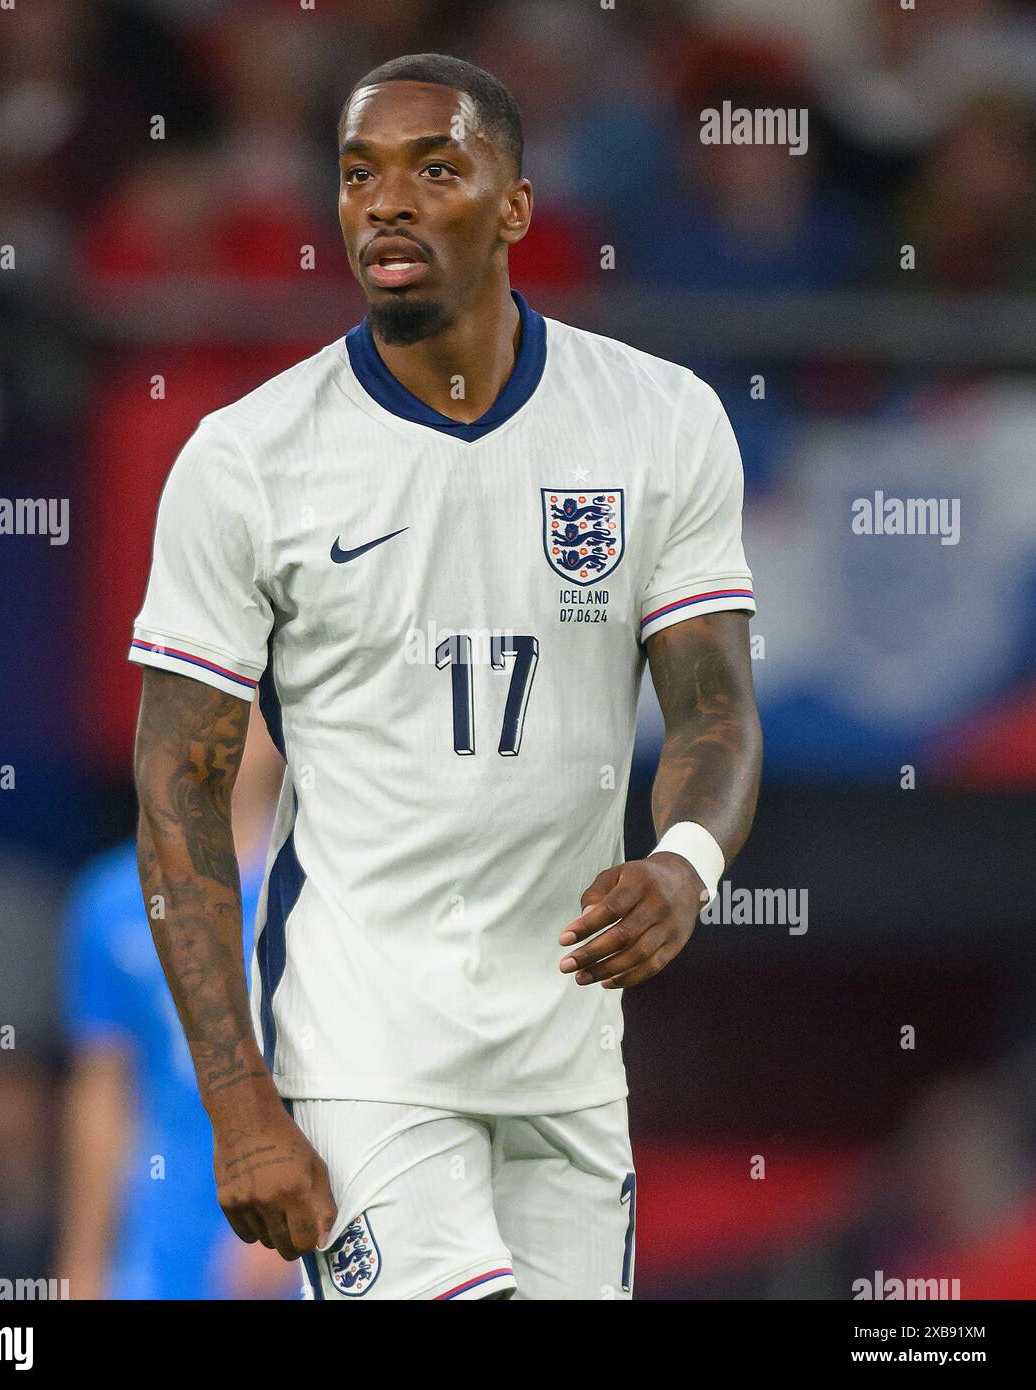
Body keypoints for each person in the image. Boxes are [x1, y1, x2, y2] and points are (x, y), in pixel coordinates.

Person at [129, 53, 762, 1301]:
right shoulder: (249, 459)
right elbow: (177, 789)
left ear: (515, 207)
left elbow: (712, 704)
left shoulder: (659, 421)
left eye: (434, 168)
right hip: (362, 1054)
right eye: (359, 174)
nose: (386, 203)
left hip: (567, 1054)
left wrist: (685, 865)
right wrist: (242, 1102)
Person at [57, 709, 297, 1299]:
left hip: (299, 1251)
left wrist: (305, 1226)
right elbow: (103, 1099)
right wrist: (81, 1269)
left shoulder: (330, 890)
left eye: (248, 696)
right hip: (156, 1259)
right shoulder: (111, 901)